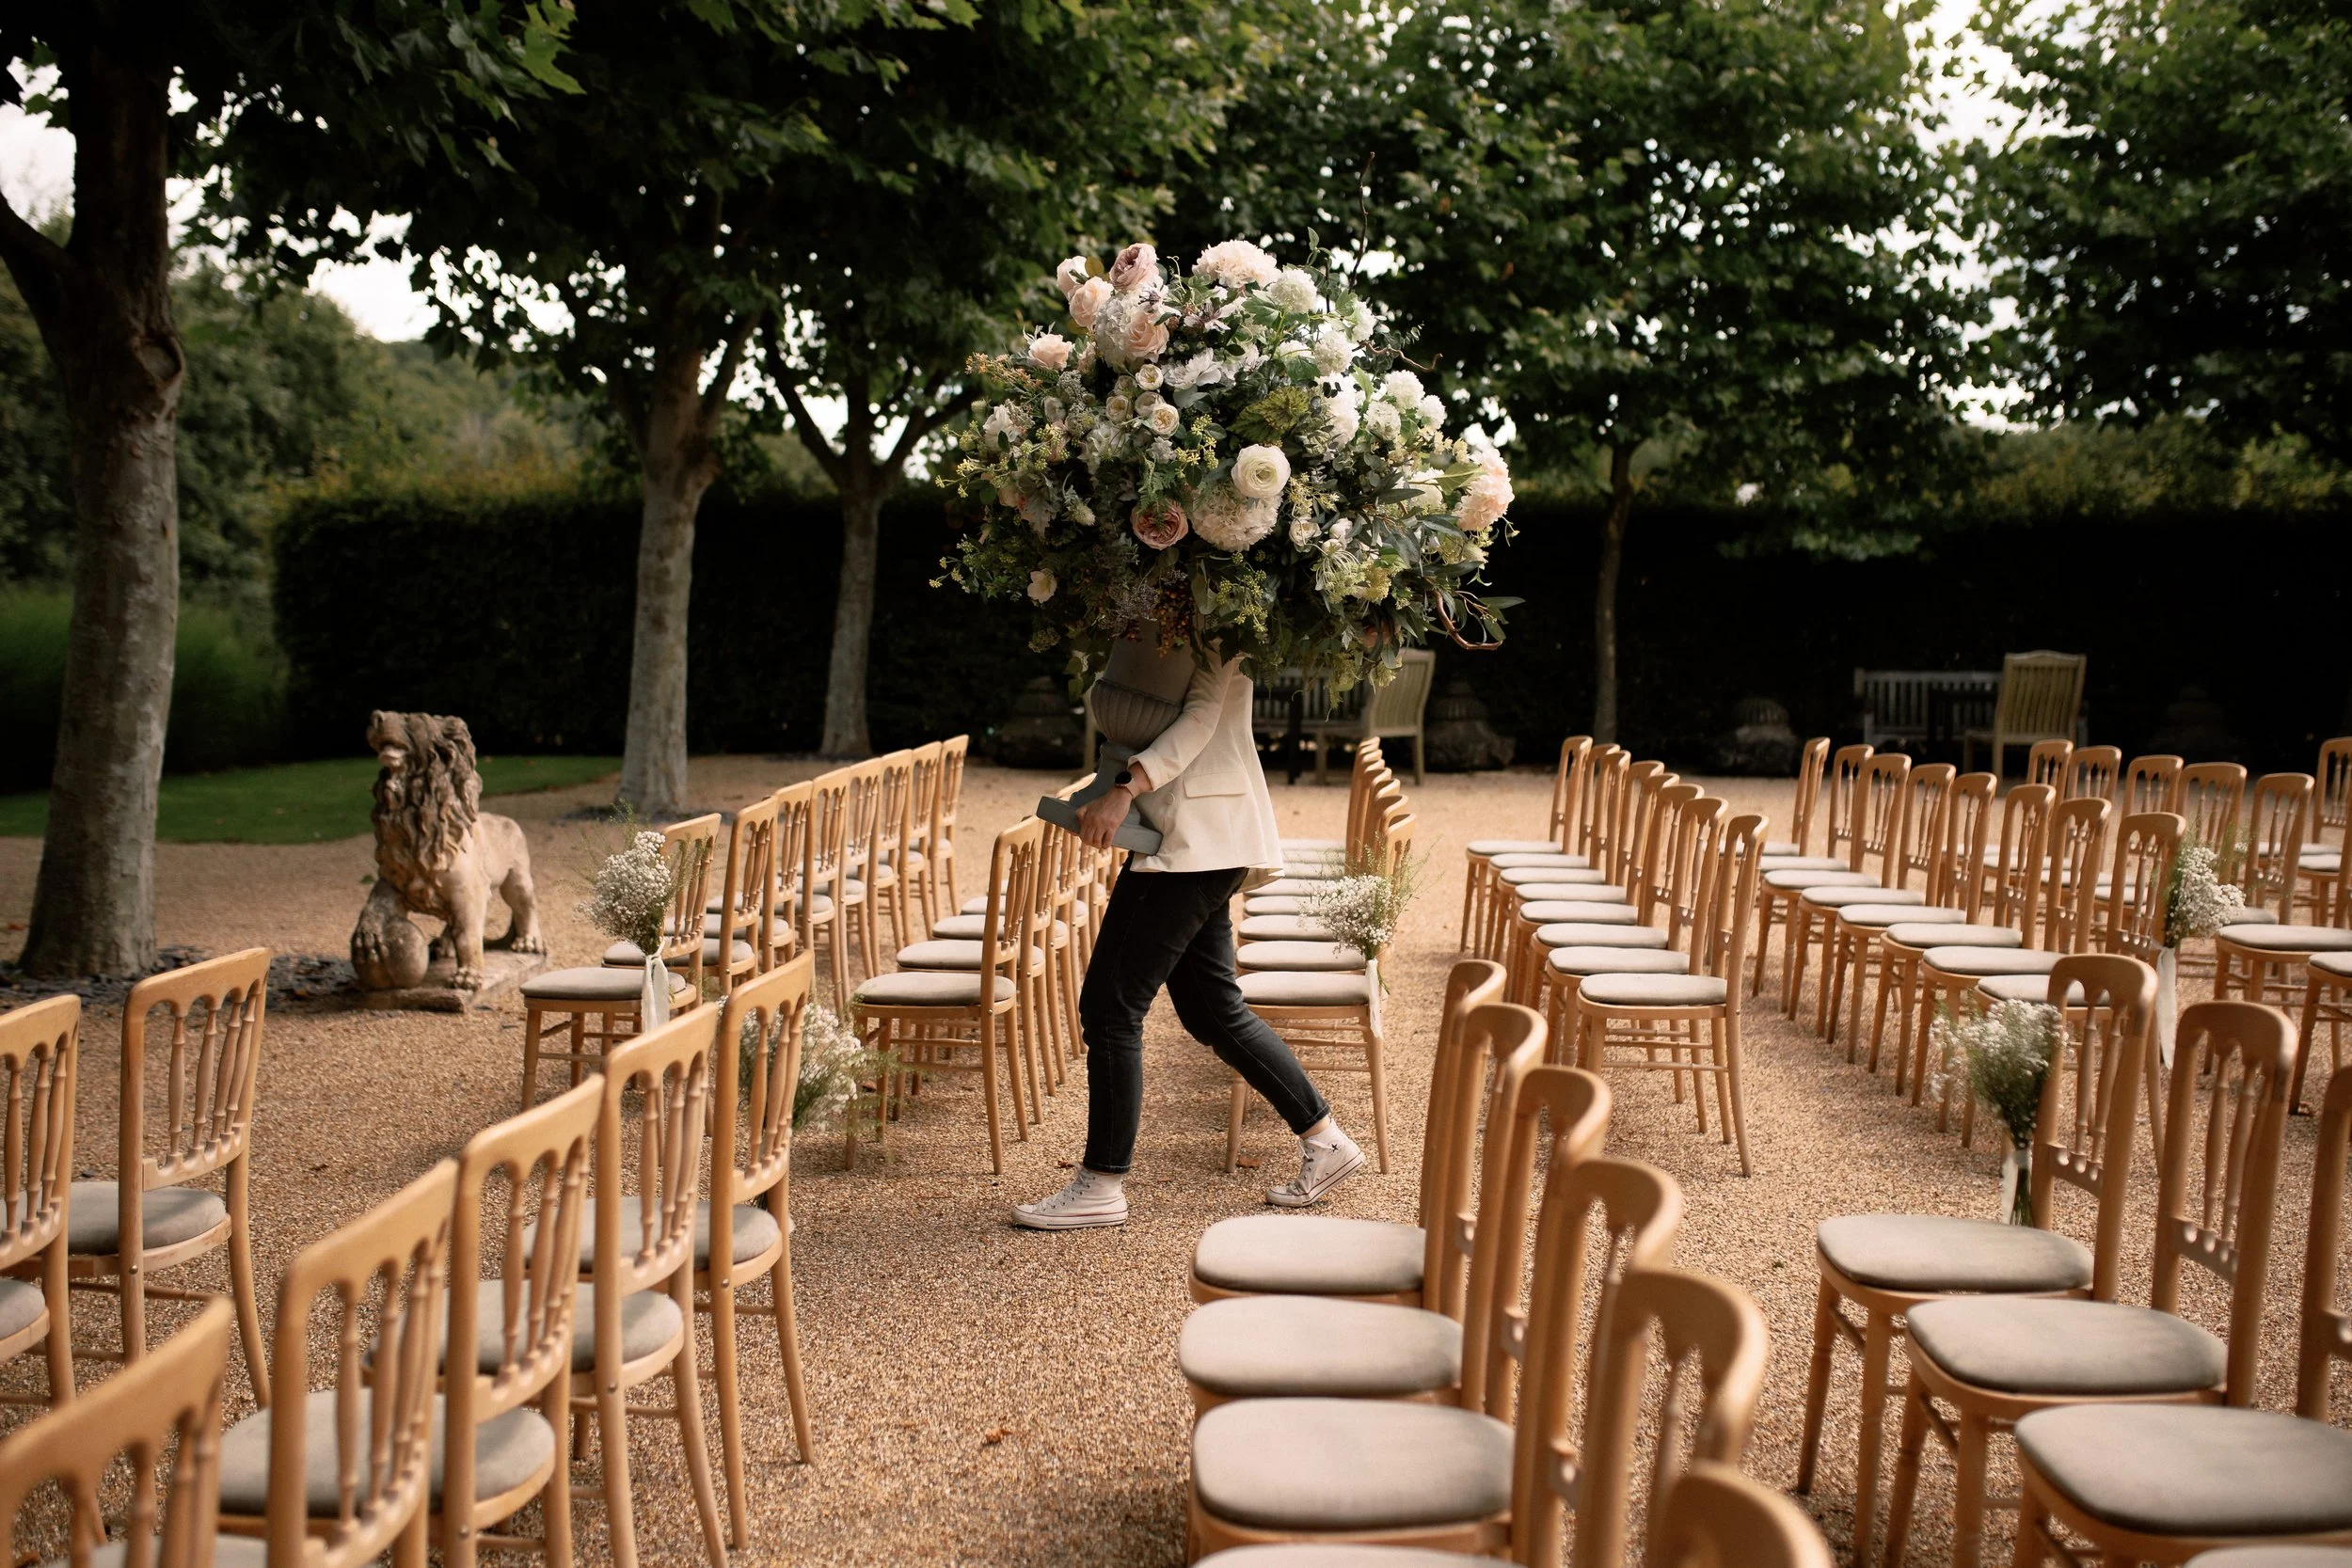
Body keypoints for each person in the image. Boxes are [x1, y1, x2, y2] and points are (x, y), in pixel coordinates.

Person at [1010, 652, 1364, 1230]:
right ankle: (1326, 1141)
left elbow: (1200, 720)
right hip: (1200, 838)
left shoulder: (1223, 613)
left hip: (1195, 842)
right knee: (1211, 1010)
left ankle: (1101, 1182)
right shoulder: (1176, 611)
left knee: (1111, 1006)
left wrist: (1123, 791)